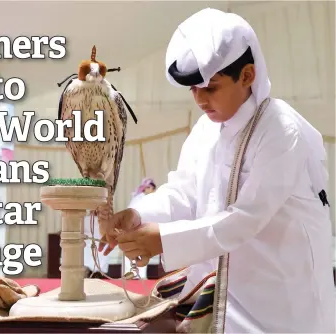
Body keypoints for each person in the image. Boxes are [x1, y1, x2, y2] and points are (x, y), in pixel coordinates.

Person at [99, 8, 335, 333]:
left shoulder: (281, 130)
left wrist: (163, 240)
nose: (199, 100)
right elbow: (184, 194)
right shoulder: (206, 129)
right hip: (226, 302)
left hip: (284, 308)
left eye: (210, 88)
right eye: (193, 89)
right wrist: (137, 214)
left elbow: (244, 218)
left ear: (248, 75)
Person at [124, 178, 157, 278]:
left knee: (142, 251)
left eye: (151, 188)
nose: (150, 189)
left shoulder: (151, 199)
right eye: (148, 187)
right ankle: (130, 274)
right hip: (134, 227)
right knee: (131, 250)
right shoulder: (139, 198)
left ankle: (139, 275)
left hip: (144, 228)